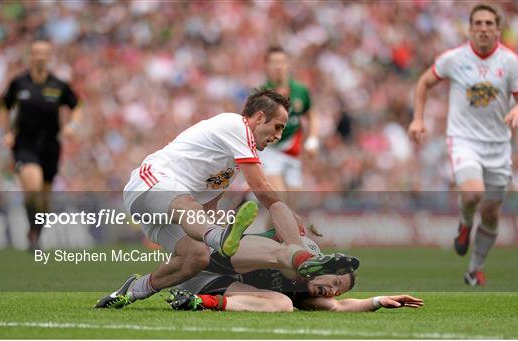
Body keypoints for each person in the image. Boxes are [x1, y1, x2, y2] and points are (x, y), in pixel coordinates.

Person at [96, 89, 357, 308]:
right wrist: (296, 250)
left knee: (198, 257)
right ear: (259, 117)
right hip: (149, 184)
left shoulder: (231, 165)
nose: (278, 136)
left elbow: (210, 205)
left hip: (170, 212)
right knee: (191, 208)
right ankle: (218, 237)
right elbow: (262, 189)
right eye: (277, 127)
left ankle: (134, 290)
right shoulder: (235, 126)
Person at [408, 4, 518, 286]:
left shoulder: (510, 61)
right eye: (479, 23)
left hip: (499, 146)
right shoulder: (455, 58)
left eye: (490, 23)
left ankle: (475, 269)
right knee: (473, 194)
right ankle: (464, 223)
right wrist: (418, 118)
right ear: (471, 28)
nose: (484, 28)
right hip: (464, 141)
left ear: (498, 29)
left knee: (491, 213)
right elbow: (424, 82)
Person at [165, 234, 422, 312]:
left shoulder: (304, 295)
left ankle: (196, 303)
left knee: (284, 303)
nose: (332, 290)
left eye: (337, 289)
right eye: (334, 281)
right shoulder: (300, 251)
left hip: (205, 286)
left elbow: (339, 306)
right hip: (200, 264)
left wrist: (379, 301)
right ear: (324, 265)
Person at [0, 39, 82, 250]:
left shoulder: (58, 85)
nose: (40, 57)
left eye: (44, 53)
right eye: (36, 53)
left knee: (44, 197)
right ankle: (33, 233)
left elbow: (78, 105)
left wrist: (72, 126)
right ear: (30, 56)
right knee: (32, 186)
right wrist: (7, 132)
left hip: (50, 145)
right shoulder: (19, 83)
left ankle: (36, 232)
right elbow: (3, 106)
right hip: (25, 143)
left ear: (50, 56)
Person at [259, 46, 319, 193]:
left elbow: (311, 115)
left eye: (282, 62)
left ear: (288, 64)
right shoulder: (261, 93)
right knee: (280, 196)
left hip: (292, 150)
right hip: (270, 150)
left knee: (291, 205)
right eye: (274, 62)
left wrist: (313, 139)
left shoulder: (300, 90)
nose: (278, 66)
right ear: (267, 66)